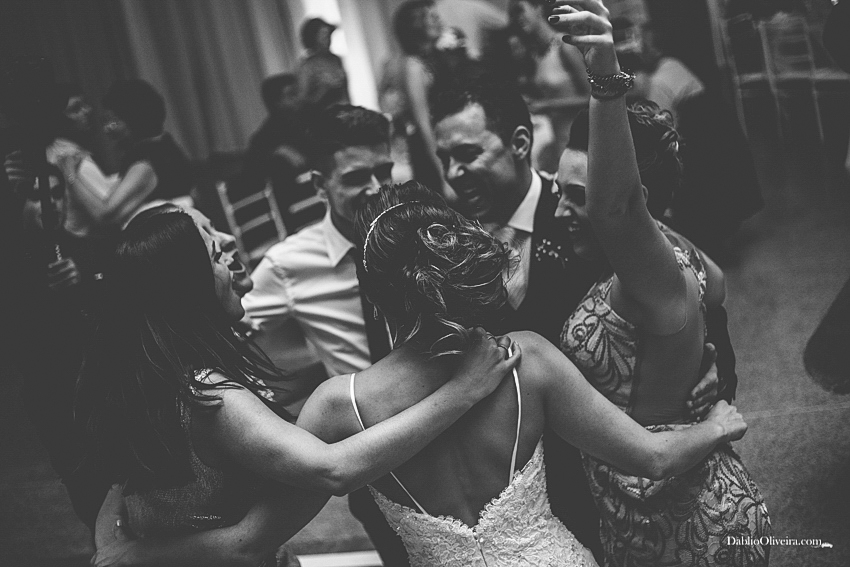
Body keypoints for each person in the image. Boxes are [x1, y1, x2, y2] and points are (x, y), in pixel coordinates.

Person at [289, 180, 749, 566]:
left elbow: (265, 529)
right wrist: (716, 426)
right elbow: (654, 458)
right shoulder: (526, 360)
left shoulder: (337, 406)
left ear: (372, 298)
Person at [80, 206, 520, 567]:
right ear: (186, 288)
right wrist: (463, 391)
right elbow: (333, 470)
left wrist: (116, 542)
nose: (229, 255)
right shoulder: (210, 395)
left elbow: (120, 484)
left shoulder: (151, 376)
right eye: (214, 256)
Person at [431, 73, 736, 559]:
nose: (453, 173)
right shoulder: (448, 241)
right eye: (444, 157)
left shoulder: (594, 219)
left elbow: (703, 300)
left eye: (467, 154)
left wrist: (710, 383)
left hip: (631, 477)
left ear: (519, 143)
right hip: (522, 491)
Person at [549, 2, 770, 564]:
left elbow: (617, 211)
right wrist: (709, 384)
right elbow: (714, 289)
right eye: (558, 190)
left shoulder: (652, 276)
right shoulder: (682, 256)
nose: (562, 210)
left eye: (578, 197)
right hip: (643, 507)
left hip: (689, 519)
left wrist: (604, 71)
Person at [231, 104, 412, 565]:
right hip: (370, 456)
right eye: (356, 177)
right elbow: (222, 331)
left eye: (384, 170)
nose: (377, 188)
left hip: (445, 425)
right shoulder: (290, 265)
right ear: (319, 184)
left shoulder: (417, 234)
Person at [57, 79, 194, 230]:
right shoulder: (163, 145)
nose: (107, 129)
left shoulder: (145, 163)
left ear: (134, 120)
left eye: (113, 121)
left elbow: (104, 215)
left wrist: (70, 175)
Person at [380, 0, 454, 196]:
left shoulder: (433, 58)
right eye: (431, 17)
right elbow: (423, 122)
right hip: (429, 151)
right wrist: (443, 173)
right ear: (416, 26)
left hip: (441, 143)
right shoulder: (413, 66)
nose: (439, 20)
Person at [508, 0, 590, 171]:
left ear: (537, 8)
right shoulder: (537, 54)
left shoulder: (565, 46)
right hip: (560, 140)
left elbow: (593, 97)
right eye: (514, 15)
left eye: (520, 10)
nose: (518, 18)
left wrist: (546, 105)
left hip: (583, 140)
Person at [296, 18, 350, 115]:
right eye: (323, 36)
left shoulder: (335, 59)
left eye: (329, 35)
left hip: (343, 113)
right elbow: (302, 102)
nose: (328, 40)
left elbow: (345, 92)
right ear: (313, 38)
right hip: (322, 115)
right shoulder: (308, 65)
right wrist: (324, 89)